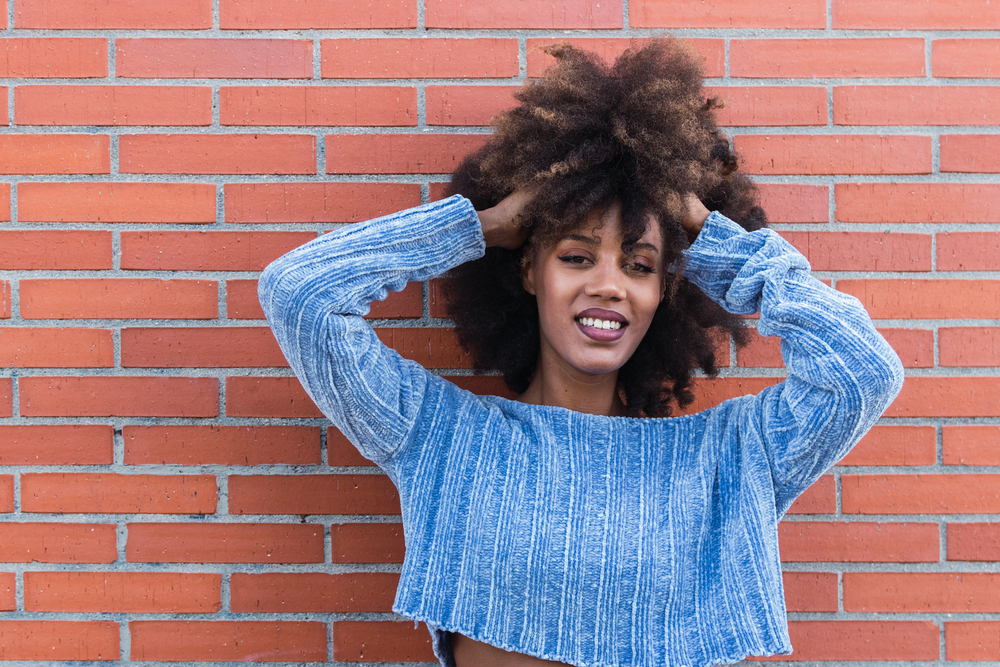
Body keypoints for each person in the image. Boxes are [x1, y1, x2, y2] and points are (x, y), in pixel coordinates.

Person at [258, 39, 904, 667]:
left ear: (664, 292)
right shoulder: (443, 436)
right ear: (529, 271)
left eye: (640, 264)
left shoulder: (726, 459)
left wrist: (705, 232)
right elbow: (300, 294)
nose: (608, 284)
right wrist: (482, 226)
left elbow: (861, 372)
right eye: (574, 256)